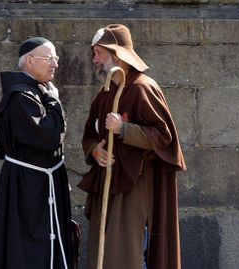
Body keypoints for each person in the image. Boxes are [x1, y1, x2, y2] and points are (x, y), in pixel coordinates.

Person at [78, 24, 187, 269]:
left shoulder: (142, 88)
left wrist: (124, 129)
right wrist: (95, 150)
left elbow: (163, 137)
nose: (95, 60)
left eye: (98, 53)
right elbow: (89, 134)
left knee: (128, 250)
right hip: (107, 182)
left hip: (135, 185)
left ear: (116, 54)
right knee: (104, 250)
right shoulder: (105, 93)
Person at [0, 37, 74, 269]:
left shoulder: (36, 90)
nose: (55, 64)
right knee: (29, 247)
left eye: (55, 58)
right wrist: (54, 102)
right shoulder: (21, 96)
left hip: (39, 181)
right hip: (29, 186)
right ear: (29, 61)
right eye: (49, 58)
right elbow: (47, 136)